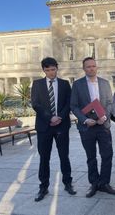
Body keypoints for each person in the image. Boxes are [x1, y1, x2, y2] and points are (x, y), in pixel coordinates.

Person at [70, 57, 115, 197]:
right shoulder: (77, 85)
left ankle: (104, 183)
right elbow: (74, 105)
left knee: (107, 155)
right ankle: (94, 184)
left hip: (103, 126)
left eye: (93, 66)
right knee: (91, 157)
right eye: (88, 66)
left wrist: (105, 116)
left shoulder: (105, 83)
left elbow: (110, 102)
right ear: (84, 68)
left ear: (97, 67)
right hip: (87, 127)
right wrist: (84, 120)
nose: (91, 68)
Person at [31, 57, 76, 202]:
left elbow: (69, 103)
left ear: (57, 68)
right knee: (44, 158)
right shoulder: (37, 84)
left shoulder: (64, 84)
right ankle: (43, 187)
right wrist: (50, 117)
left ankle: (68, 183)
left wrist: (60, 117)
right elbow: (36, 104)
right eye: (47, 70)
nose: (51, 72)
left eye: (53, 69)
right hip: (44, 127)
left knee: (64, 156)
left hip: (61, 126)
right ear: (43, 70)